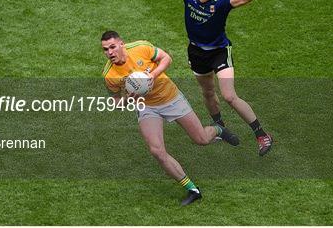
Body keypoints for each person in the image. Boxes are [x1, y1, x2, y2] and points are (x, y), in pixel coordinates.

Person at [157, 0, 276, 156]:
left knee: (229, 95)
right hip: (196, 51)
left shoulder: (221, 1)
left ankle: (261, 134)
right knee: (208, 93)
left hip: (219, 51)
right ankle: (220, 126)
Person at [101, 30, 239, 206]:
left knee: (202, 139)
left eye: (112, 47)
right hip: (147, 107)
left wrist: (152, 75)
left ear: (121, 43)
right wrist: (129, 98)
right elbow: (116, 103)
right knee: (157, 151)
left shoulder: (141, 47)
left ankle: (219, 129)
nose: (110, 52)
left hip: (171, 98)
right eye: (106, 50)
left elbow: (167, 58)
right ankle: (192, 189)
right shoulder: (109, 75)